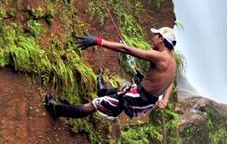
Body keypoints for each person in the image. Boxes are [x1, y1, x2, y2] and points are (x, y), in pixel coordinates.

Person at [44, 26, 177, 120]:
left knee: (95, 105)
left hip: (137, 99)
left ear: (161, 39)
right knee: (125, 87)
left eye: (155, 35)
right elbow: (170, 81)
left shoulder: (159, 56)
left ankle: (56, 110)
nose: (152, 38)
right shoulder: (172, 60)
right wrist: (164, 100)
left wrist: (98, 41)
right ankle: (103, 91)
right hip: (147, 100)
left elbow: (126, 49)